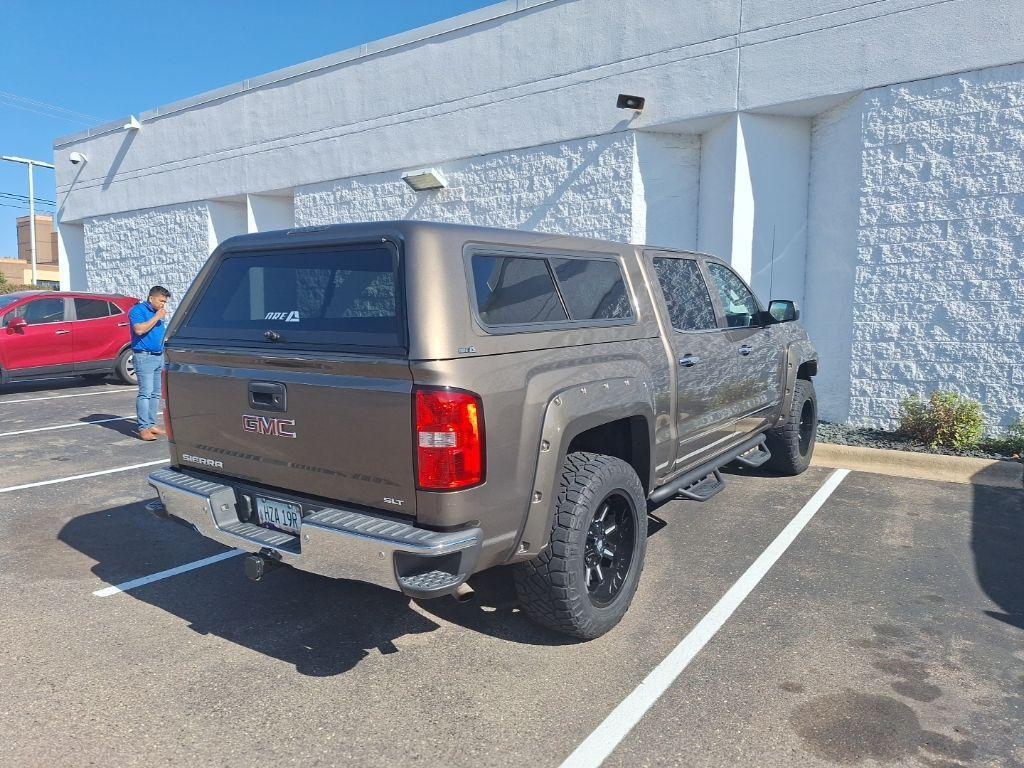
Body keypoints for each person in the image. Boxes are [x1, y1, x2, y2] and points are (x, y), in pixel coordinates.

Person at [129, 286, 171, 441]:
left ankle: (151, 423)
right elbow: (139, 330)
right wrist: (157, 317)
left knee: (156, 393)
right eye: (161, 301)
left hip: (158, 356)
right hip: (144, 357)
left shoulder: (157, 314)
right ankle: (143, 428)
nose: (163, 305)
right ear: (151, 298)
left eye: (164, 302)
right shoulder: (137, 311)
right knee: (145, 393)